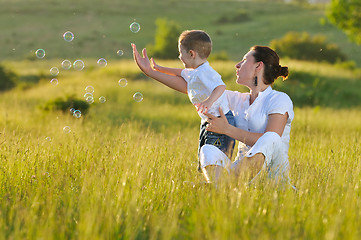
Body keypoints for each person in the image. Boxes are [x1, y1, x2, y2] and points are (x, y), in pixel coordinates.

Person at [131, 30, 235, 183]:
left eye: (181, 53)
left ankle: (217, 188)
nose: (179, 56)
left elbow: (220, 86)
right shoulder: (195, 71)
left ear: (191, 54)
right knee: (205, 157)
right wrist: (155, 69)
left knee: (212, 156)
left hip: (221, 121)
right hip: (209, 122)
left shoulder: (205, 72)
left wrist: (208, 101)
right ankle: (213, 186)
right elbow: (181, 73)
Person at [203, 45, 295, 187]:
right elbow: (194, 86)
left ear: (259, 66)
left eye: (244, 60)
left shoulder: (279, 99)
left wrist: (227, 129)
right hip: (240, 172)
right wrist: (156, 73)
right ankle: (225, 186)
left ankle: (222, 186)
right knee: (208, 150)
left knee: (271, 137)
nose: (237, 65)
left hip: (272, 178)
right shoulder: (238, 99)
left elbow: (272, 139)